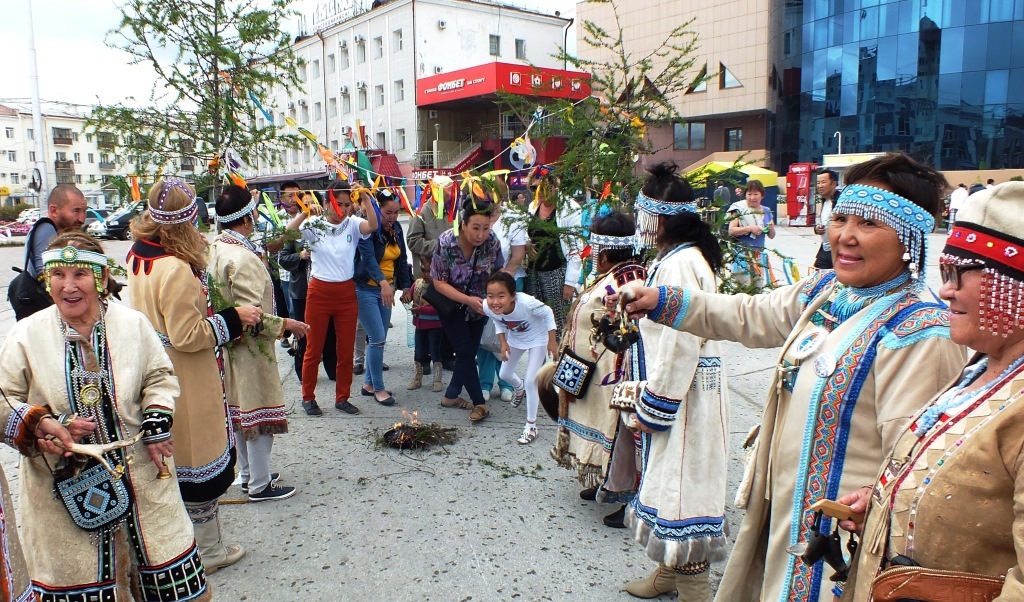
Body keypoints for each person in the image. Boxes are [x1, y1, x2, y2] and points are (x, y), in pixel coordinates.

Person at [617, 153, 966, 602]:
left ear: (910, 239)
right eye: (841, 217)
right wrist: (662, 300)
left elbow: (914, 464)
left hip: (843, 544)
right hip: (789, 514)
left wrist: (872, 508)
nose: (846, 236)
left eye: (871, 223)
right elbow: (748, 314)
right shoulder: (826, 290)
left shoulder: (920, 331)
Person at [836, 182, 1024, 601]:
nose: (945, 291)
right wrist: (886, 502)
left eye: (958, 275)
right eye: (943, 274)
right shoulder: (984, 366)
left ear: (1015, 287)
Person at [0, 232, 212, 601]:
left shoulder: (133, 326)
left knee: (165, 581)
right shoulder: (25, 336)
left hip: (145, 478)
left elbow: (159, 376)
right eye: (58, 275)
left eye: (80, 274)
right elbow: (4, 400)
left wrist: (156, 421)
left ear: (99, 279)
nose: (68, 286)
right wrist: (40, 425)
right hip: (61, 492)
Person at [127, 178, 262, 572]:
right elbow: (188, 335)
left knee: (175, 466)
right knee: (197, 463)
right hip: (185, 377)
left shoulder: (140, 254)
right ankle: (209, 551)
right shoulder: (175, 269)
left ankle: (184, 544)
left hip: (155, 370)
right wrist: (233, 320)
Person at [611, 163, 731, 601]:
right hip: (685, 388)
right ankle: (668, 575)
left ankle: (694, 587)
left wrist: (656, 405)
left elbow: (682, 343)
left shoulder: (681, 264)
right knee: (669, 482)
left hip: (684, 392)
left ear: (656, 218)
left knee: (684, 489)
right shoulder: (680, 258)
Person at [210, 185, 309, 502]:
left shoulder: (219, 248)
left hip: (229, 344)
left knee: (241, 412)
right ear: (249, 217)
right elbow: (253, 315)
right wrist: (287, 325)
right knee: (258, 413)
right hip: (251, 348)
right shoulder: (243, 259)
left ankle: (250, 474)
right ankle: (260, 485)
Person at [551, 210, 646, 505]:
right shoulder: (621, 275)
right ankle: (606, 479)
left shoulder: (628, 282)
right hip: (592, 375)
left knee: (621, 436)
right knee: (607, 432)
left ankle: (627, 494)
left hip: (616, 379)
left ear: (604, 254)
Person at [286, 180, 379, 416]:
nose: (344, 209)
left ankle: (342, 397)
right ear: (327, 202)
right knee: (313, 348)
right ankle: (308, 397)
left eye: (348, 204)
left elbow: (373, 226)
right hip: (319, 292)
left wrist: (366, 199)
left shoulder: (353, 224)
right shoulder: (314, 224)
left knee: (345, 350)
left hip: (346, 293)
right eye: (339, 204)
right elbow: (289, 233)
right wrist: (305, 212)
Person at [432, 193, 505, 422]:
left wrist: (498, 298)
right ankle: (479, 403)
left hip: (479, 308)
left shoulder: (492, 241)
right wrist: (466, 299)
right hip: (451, 305)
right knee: (464, 352)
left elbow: (499, 272)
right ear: (463, 224)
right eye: (475, 228)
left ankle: (451, 396)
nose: (481, 234)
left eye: (485, 227)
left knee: (469, 353)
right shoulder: (446, 242)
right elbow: (438, 282)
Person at [483, 272, 557, 444]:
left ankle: (531, 426)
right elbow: (497, 321)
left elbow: (548, 313)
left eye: (501, 296)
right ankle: (519, 387)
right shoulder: (488, 307)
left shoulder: (526, 303)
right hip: (515, 340)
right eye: (490, 296)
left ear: (512, 296)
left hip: (538, 339)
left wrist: (552, 341)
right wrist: (503, 342)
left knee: (532, 381)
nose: (495, 302)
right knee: (504, 374)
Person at [354, 189, 412, 406]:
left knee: (379, 341)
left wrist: (406, 287)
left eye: (396, 213)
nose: (393, 217)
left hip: (386, 289)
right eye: (388, 213)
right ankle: (379, 388)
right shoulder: (366, 229)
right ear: (376, 210)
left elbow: (402, 257)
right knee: (377, 338)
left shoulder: (396, 229)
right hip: (366, 289)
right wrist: (383, 283)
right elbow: (368, 259)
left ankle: (369, 384)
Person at [479, 196, 530, 402]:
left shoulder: (512, 218)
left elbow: (517, 255)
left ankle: (507, 382)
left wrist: (501, 282)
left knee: (507, 336)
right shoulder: (475, 219)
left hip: (509, 283)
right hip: (481, 286)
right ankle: (484, 383)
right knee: (484, 336)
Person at [11, 184, 88, 319]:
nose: (82, 219)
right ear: (54, 210)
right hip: (42, 312)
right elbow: (45, 275)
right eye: (76, 211)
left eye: (84, 211)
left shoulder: (55, 231)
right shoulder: (46, 229)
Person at [526, 167, 584, 338]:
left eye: (541, 187)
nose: (538, 192)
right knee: (535, 323)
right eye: (533, 188)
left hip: (557, 272)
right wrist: (527, 245)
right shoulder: (532, 207)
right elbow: (525, 233)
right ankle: (538, 362)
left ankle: (558, 361)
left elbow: (575, 247)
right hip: (534, 273)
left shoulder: (569, 207)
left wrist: (570, 283)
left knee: (558, 324)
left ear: (553, 186)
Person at [727, 179, 776, 289]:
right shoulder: (739, 209)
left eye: (756, 194)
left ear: (762, 195)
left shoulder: (766, 211)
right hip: (741, 256)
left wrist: (770, 227)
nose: (752, 197)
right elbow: (731, 230)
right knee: (743, 288)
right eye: (749, 194)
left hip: (758, 257)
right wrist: (750, 228)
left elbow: (772, 236)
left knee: (758, 287)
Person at [407, 258, 444, 392]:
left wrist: (421, 309)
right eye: (424, 271)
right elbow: (410, 295)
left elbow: (440, 307)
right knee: (419, 353)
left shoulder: (439, 286)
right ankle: (417, 378)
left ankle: (437, 379)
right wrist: (406, 296)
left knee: (435, 352)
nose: (426, 274)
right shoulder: (417, 283)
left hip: (435, 325)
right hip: (420, 325)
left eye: (430, 271)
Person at [814, 170, 839, 270]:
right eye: (818, 183)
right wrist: (817, 229)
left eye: (823, 182)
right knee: (817, 277)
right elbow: (822, 223)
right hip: (825, 249)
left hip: (838, 249)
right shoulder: (824, 201)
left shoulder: (841, 201)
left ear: (834, 183)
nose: (820, 186)